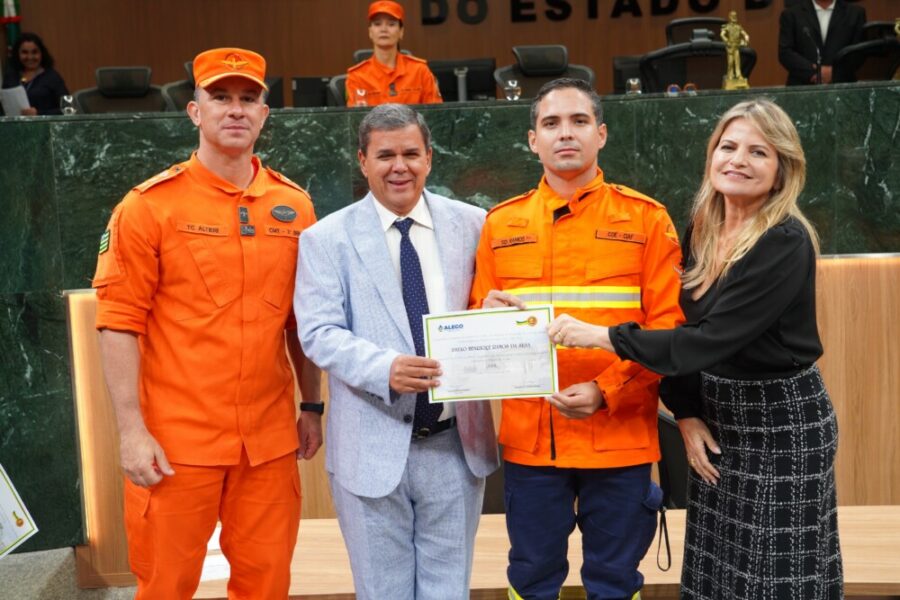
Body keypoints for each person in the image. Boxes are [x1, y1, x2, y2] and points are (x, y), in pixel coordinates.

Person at [547, 99, 842, 600]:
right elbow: (679, 324)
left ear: (782, 169)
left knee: (774, 580)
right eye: (728, 147)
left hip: (781, 425)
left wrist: (603, 335)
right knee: (717, 575)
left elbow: (707, 341)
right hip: (717, 417)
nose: (738, 160)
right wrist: (685, 414)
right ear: (711, 156)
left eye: (758, 152)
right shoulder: (703, 228)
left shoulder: (784, 241)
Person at [93, 47, 322, 599]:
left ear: (265, 115)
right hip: (177, 445)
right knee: (166, 586)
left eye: (249, 99)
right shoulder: (148, 207)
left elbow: (302, 324)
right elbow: (119, 321)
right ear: (195, 111)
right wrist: (130, 431)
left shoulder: (297, 207)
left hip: (267, 445)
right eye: (220, 97)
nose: (235, 109)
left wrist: (312, 406)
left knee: (267, 586)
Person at [469, 78, 684, 600]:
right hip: (531, 443)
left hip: (621, 438)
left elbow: (668, 331)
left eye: (579, 121)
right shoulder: (500, 224)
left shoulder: (646, 219)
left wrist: (605, 390)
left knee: (614, 580)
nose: (565, 134)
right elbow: (476, 328)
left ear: (602, 134)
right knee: (531, 577)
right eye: (551, 123)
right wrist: (483, 318)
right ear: (532, 140)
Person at [295, 103, 498, 600]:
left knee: (448, 591)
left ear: (429, 157)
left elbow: (486, 313)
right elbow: (318, 331)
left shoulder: (475, 225)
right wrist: (384, 368)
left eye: (411, 153)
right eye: (385, 155)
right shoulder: (325, 238)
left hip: (456, 447)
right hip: (371, 445)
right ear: (363, 161)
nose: (399, 166)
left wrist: (495, 315)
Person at [345, 0, 442, 107]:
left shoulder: (420, 71)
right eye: (377, 24)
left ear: (401, 32)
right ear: (370, 32)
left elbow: (436, 116)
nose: (384, 29)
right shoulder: (357, 76)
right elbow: (356, 120)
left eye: (391, 24)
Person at [778, 0, 865, 85]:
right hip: (802, 86)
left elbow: (859, 52)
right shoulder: (791, 14)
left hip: (843, 86)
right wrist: (815, 71)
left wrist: (834, 72)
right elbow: (785, 52)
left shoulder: (856, 13)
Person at [2, 32, 69, 115]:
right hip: (16, 125)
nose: (30, 57)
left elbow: (68, 108)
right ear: (17, 54)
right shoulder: (11, 76)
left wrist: (38, 113)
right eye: (25, 52)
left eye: (34, 52)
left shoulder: (52, 77)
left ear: (42, 54)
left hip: (46, 125)